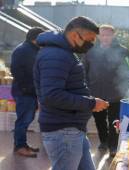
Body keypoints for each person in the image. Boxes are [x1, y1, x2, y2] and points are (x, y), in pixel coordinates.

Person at [34, 16, 109, 170]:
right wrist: (91, 103)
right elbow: (52, 95)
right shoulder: (56, 55)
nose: (91, 45)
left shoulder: (63, 53)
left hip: (71, 128)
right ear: (75, 35)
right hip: (63, 131)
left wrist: (90, 101)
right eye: (89, 40)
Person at [83, 24, 129, 156]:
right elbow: (83, 70)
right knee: (99, 120)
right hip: (95, 93)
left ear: (113, 35)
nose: (105, 37)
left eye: (108, 35)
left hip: (116, 92)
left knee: (114, 120)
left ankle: (113, 145)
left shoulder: (123, 51)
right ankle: (103, 141)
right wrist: (87, 87)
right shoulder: (90, 51)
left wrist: (125, 85)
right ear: (98, 36)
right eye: (102, 34)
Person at [10, 27, 44, 157]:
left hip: (29, 91)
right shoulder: (23, 50)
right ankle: (19, 146)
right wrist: (26, 88)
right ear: (35, 38)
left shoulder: (32, 49)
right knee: (23, 120)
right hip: (24, 92)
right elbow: (16, 70)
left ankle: (22, 144)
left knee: (26, 119)